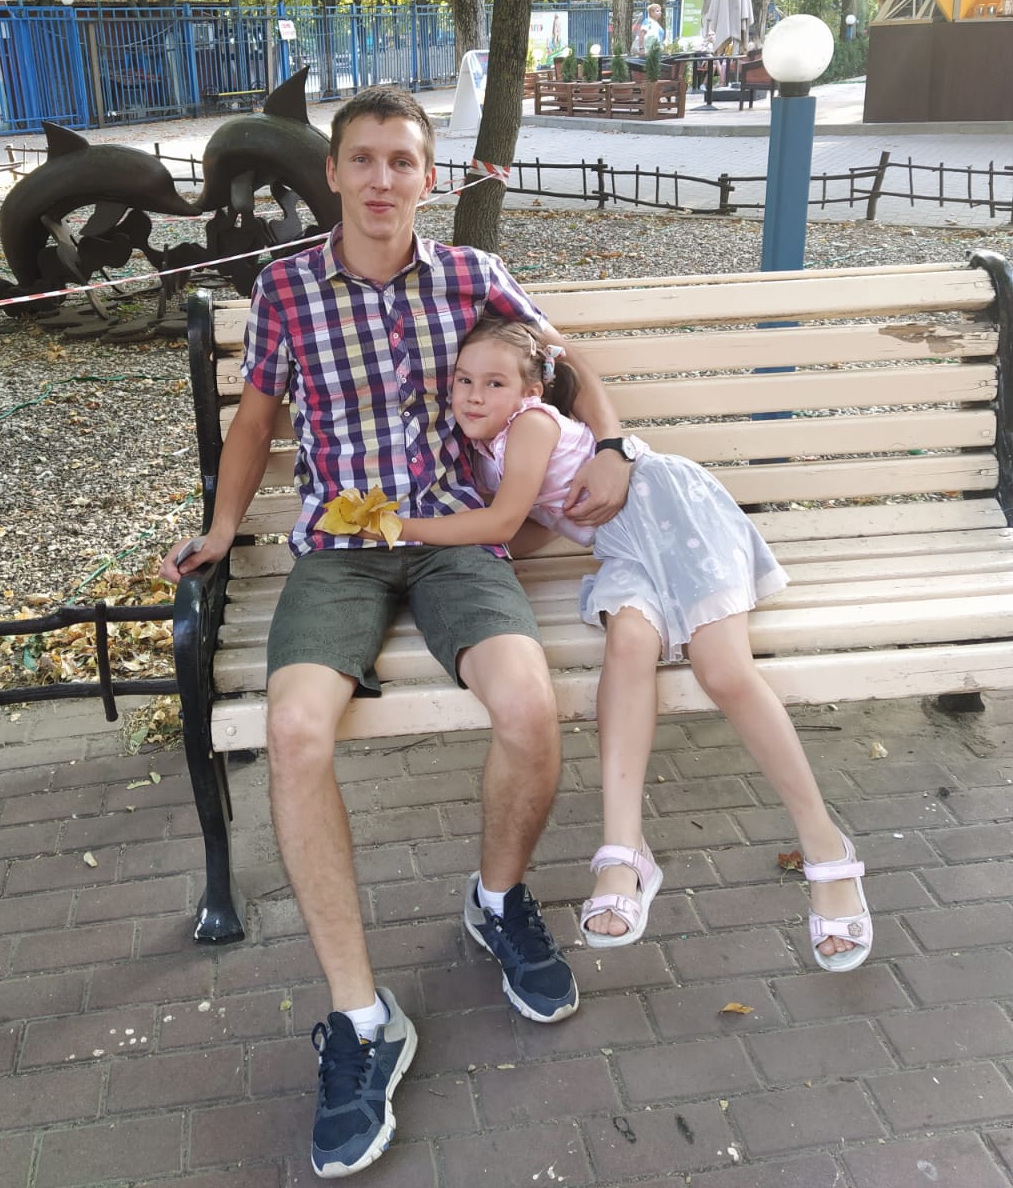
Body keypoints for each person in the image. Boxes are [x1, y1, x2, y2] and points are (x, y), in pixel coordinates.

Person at [161, 87, 630, 1179]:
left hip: (458, 536)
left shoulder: (472, 275)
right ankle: (362, 1018)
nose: (382, 180)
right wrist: (223, 528)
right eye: (363, 159)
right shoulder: (287, 287)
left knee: (530, 705)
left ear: (429, 177)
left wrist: (612, 445)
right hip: (341, 545)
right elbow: (256, 421)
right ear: (333, 173)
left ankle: (498, 901)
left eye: (402, 161)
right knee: (294, 733)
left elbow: (567, 365)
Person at [392, 317, 873, 973]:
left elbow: (503, 522)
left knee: (722, 671)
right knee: (628, 644)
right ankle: (624, 853)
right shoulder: (491, 447)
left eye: (494, 383)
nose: (474, 395)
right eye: (463, 381)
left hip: (671, 514)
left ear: (530, 390)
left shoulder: (530, 426)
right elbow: (536, 526)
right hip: (622, 549)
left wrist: (400, 528)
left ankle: (826, 847)